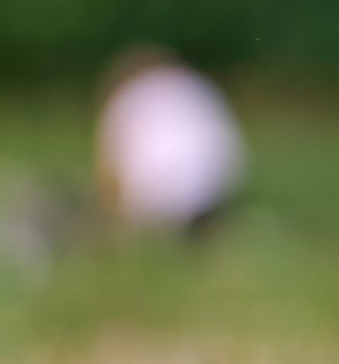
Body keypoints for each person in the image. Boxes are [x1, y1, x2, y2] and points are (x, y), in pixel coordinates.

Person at [94, 48, 244, 233]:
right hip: (220, 186)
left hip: (157, 192)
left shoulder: (126, 97)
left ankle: (168, 220)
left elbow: (110, 174)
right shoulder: (197, 84)